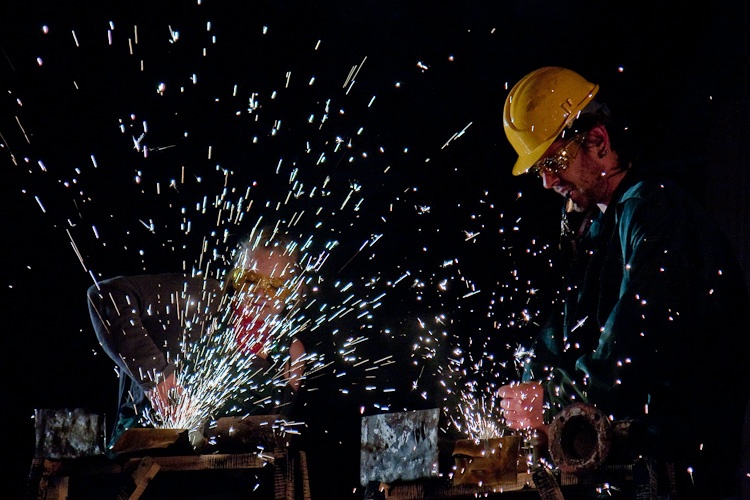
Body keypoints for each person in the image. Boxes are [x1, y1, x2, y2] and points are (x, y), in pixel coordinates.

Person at [497, 67, 750, 498]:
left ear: (598, 141)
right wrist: (529, 386)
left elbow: (634, 345)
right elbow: (563, 333)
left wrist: (553, 397)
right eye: (540, 169)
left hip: (678, 477)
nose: (548, 182)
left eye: (554, 163)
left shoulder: (657, 213)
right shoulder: (600, 231)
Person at [87, 225, 309, 450]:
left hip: (222, 467)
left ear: (294, 290)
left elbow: (271, 440)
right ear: (236, 277)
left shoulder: (291, 353)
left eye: (275, 287)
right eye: (250, 280)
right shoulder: (201, 300)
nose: (260, 294)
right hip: (143, 454)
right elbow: (106, 296)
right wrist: (160, 382)